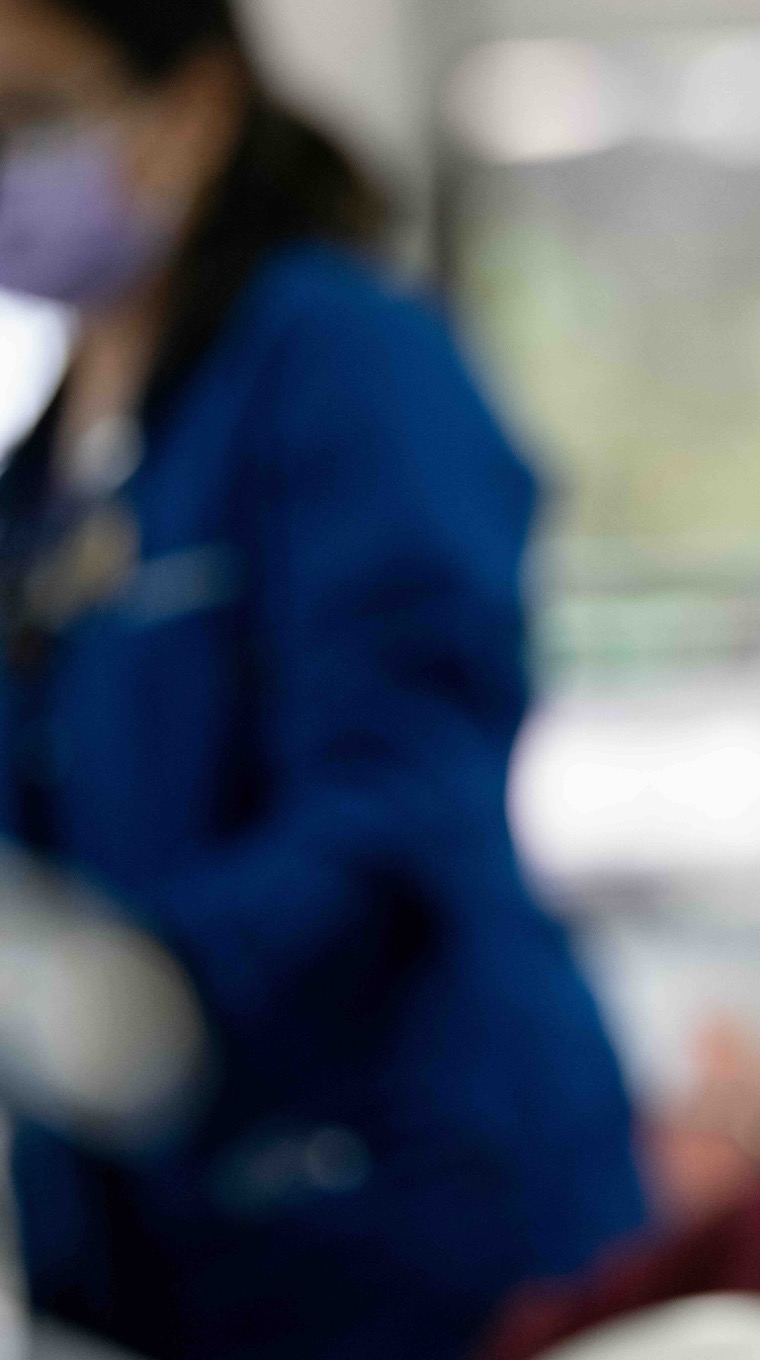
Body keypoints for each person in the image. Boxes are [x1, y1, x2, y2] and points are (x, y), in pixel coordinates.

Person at [0, 2, 645, 1357]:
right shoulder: (49, 470)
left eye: (29, 116)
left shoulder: (343, 357)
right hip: (132, 1240)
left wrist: (157, 977)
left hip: (393, 1210)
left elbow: (412, 784)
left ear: (195, 102)